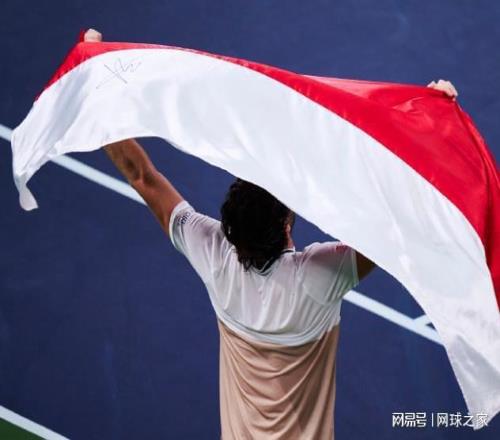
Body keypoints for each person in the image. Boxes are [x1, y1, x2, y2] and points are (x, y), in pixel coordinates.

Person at [84, 28, 458, 440]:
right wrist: (429, 124)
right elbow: (397, 222)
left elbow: (142, 176)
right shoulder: (319, 277)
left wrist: (94, 80)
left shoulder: (215, 258)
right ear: (285, 225)